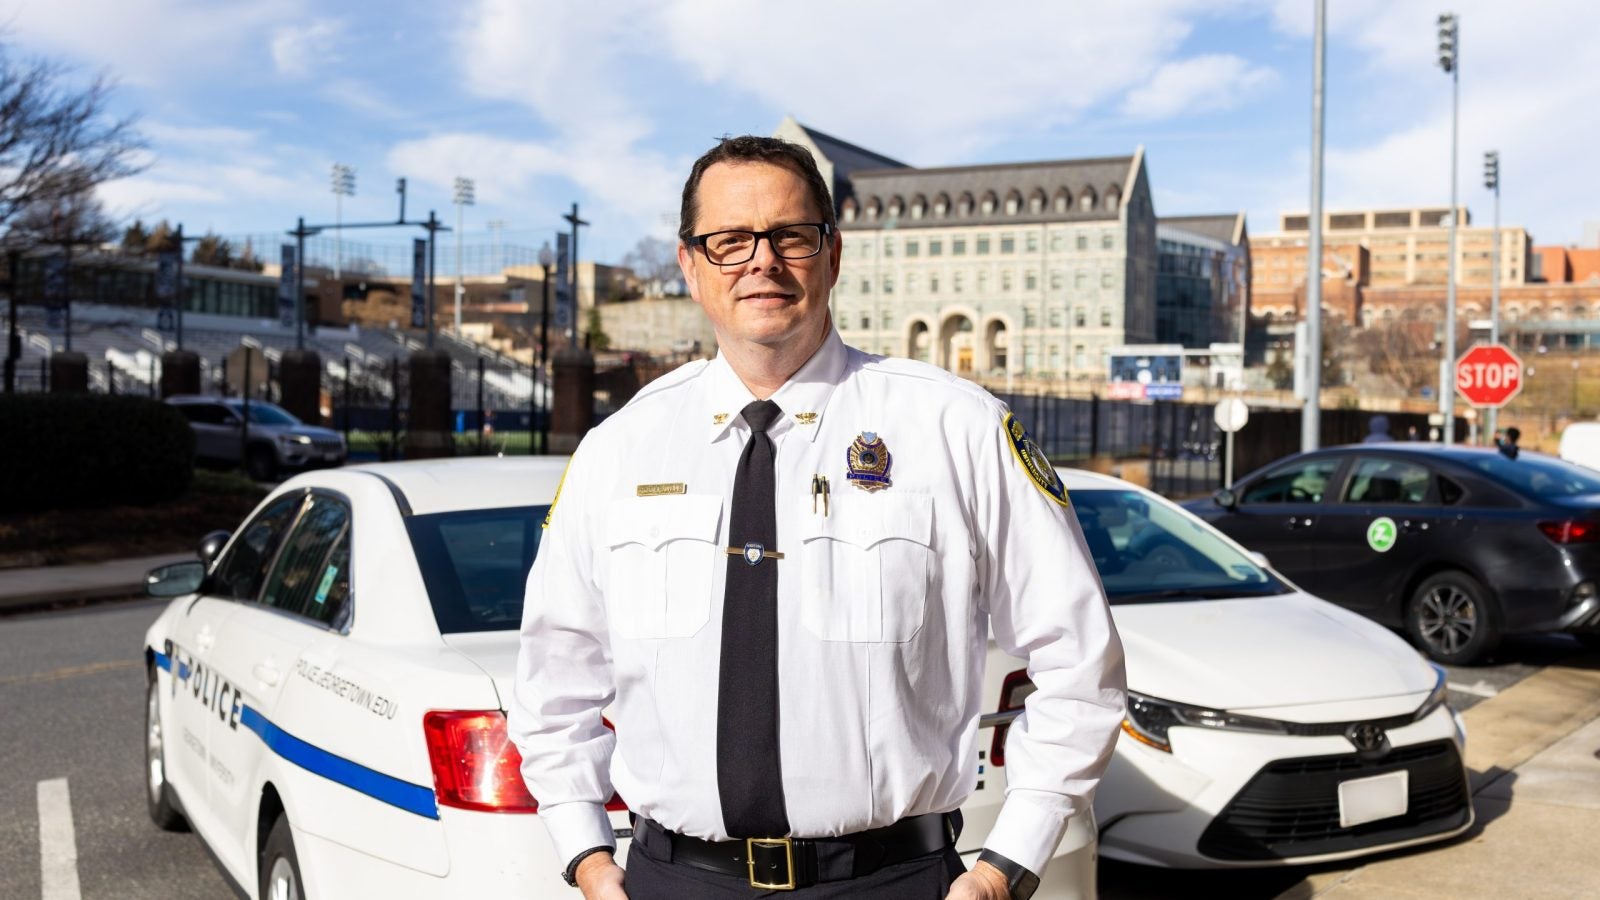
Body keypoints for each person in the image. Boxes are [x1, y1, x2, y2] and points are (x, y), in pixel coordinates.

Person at [510, 135, 1125, 900]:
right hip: (674, 881)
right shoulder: (620, 450)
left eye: (790, 236)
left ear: (832, 256)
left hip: (893, 881)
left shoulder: (954, 428)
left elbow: (1079, 659)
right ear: (690, 266)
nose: (760, 261)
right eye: (729, 240)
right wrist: (587, 857)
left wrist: (1009, 865)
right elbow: (553, 680)